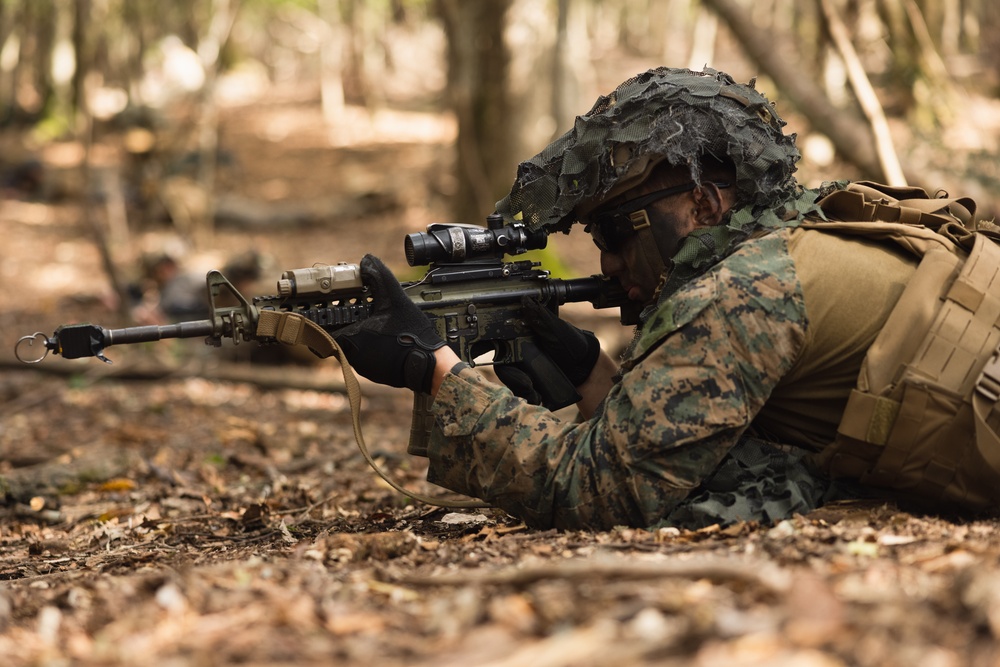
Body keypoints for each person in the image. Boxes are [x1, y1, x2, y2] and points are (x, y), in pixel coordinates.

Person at [332, 67, 992, 530]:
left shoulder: (744, 292)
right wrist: (593, 371)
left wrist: (437, 370)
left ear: (705, 203)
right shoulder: (802, 232)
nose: (609, 260)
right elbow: (695, 435)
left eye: (617, 231)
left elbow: (595, 489)